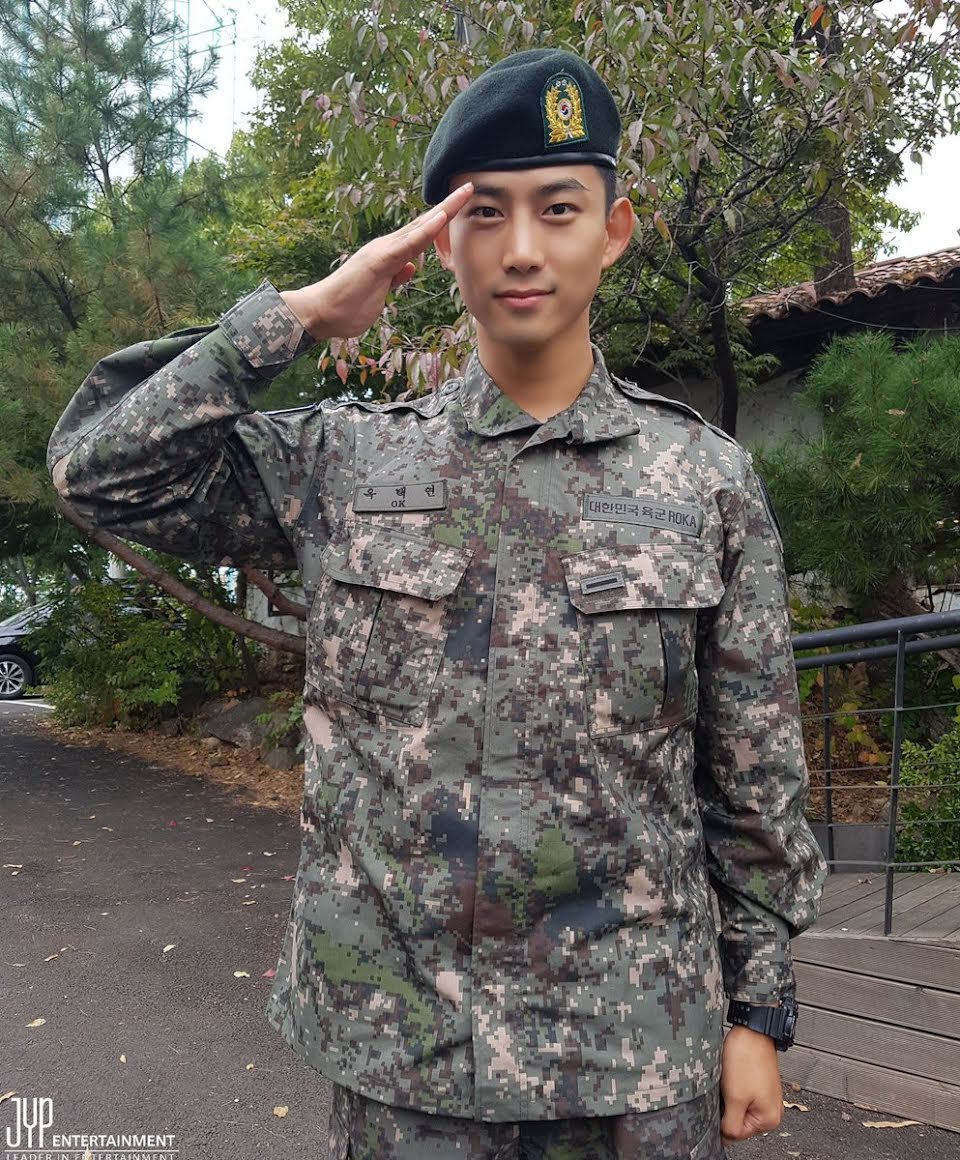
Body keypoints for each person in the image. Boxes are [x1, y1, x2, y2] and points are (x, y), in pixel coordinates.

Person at [47, 47, 827, 1160]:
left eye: (559, 208)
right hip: (404, 1056)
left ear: (613, 231)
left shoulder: (702, 481)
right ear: (438, 242)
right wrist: (299, 317)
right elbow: (98, 471)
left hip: (634, 1054)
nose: (522, 247)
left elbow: (753, 775)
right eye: (484, 213)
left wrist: (759, 1011)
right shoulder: (343, 462)